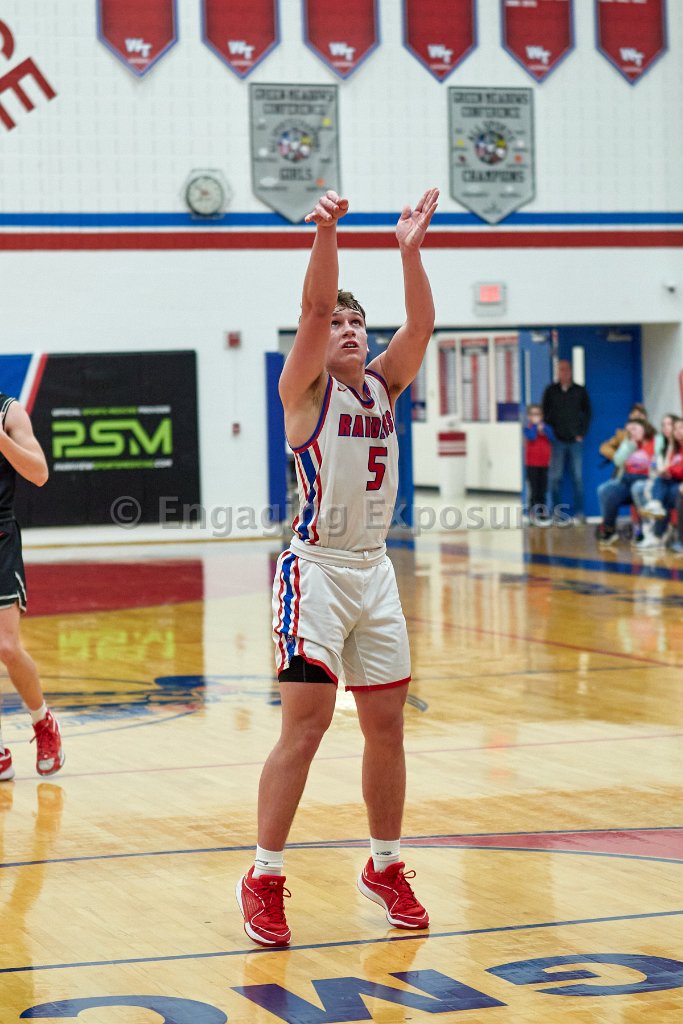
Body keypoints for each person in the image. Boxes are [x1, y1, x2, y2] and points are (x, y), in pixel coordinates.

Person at [235, 187, 439, 947]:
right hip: (314, 572)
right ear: (317, 343)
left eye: (359, 323)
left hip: (374, 573)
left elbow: (420, 325)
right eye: (339, 325)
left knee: (386, 727)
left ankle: (385, 866)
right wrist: (325, 232)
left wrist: (409, 254)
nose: (349, 330)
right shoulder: (302, 393)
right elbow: (315, 307)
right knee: (308, 726)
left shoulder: (385, 384)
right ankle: (263, 876)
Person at [0, 394, 64, 782]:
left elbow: (39, 473)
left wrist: (0, 440)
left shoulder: (8, 412)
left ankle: (43, 722)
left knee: (6, 646)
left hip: (0, 538)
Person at [542, 360, 591, 521]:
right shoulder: (551, 391)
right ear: (557, 372)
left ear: (570, 371)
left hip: (575, 441)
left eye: (566, 369)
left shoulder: (579, 391)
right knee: (555, 478)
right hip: (557, 441)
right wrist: (551, 433)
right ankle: (557, 512)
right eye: (560, 369)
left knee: (578, 477)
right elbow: (545, 413)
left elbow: (588, 412)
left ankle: (579, 512)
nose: (564, 372)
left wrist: (582, 432)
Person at [595, 418, 656, 546]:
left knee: (636, 487)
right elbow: (618, 461)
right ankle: (609, 529)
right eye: (629, 430)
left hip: (647, 481)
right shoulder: (629, 443)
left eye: (635, 429)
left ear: (644, 428)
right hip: (627, 480)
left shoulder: (655, 442)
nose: (632, 432)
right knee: (605, 490)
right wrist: (629, 445)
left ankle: (645, 531)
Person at [638, 416, 683, 551]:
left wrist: (669, 470)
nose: (677, 431)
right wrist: (666, 471)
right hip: (674, 481)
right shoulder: (674, 448)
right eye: (675, 429)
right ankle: (656, 507)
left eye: (681, 428)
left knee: (666, 494)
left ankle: (658, 535)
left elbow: (678, 468)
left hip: (678, 483)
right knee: (659, 482)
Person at [523, 404, 555, 524]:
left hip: (544, 464)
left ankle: (542, 514)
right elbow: (531, 437)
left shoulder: (547, 428)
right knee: (534, 491)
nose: (536, 417)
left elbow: (552, 438)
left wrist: (544, 429)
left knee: (542, 491)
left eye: (538, 414)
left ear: (542, 416)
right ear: (529, 416)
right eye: (533, 414)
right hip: (532, 464)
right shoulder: (528, 428)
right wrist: (536, 427)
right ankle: (532, 515)